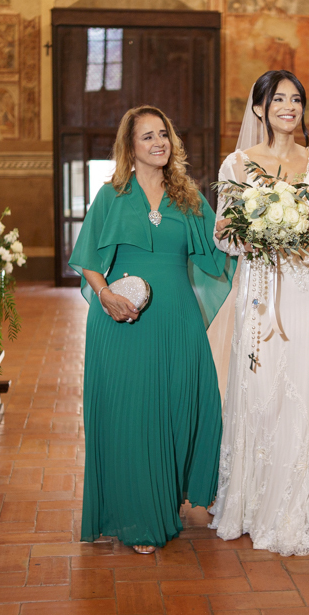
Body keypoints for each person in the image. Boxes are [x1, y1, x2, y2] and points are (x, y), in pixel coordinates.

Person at [69, 105, 234, 554]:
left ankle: (171, 496)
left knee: (191, 405)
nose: (158, 142)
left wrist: (253, 231)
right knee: (134, 418)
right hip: (124, 321)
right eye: (147, 136)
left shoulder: (189, 198)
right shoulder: (112, 196)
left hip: (178, 321)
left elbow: (218, 255)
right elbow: (87, 260)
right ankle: (139, 518)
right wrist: (105, 295)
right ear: (130, 147)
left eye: (163, 134)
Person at [206, 70, 309, 562]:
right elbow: (221, 233)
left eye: (296, 99)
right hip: (260, 290)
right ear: (260, 109)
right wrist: (248, 234)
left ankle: (302, 507)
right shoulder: (238, 163)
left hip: (307, 291)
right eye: (278, 99)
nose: (288, 106)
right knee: (260, 392)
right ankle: (252, 502)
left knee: (305, 392)